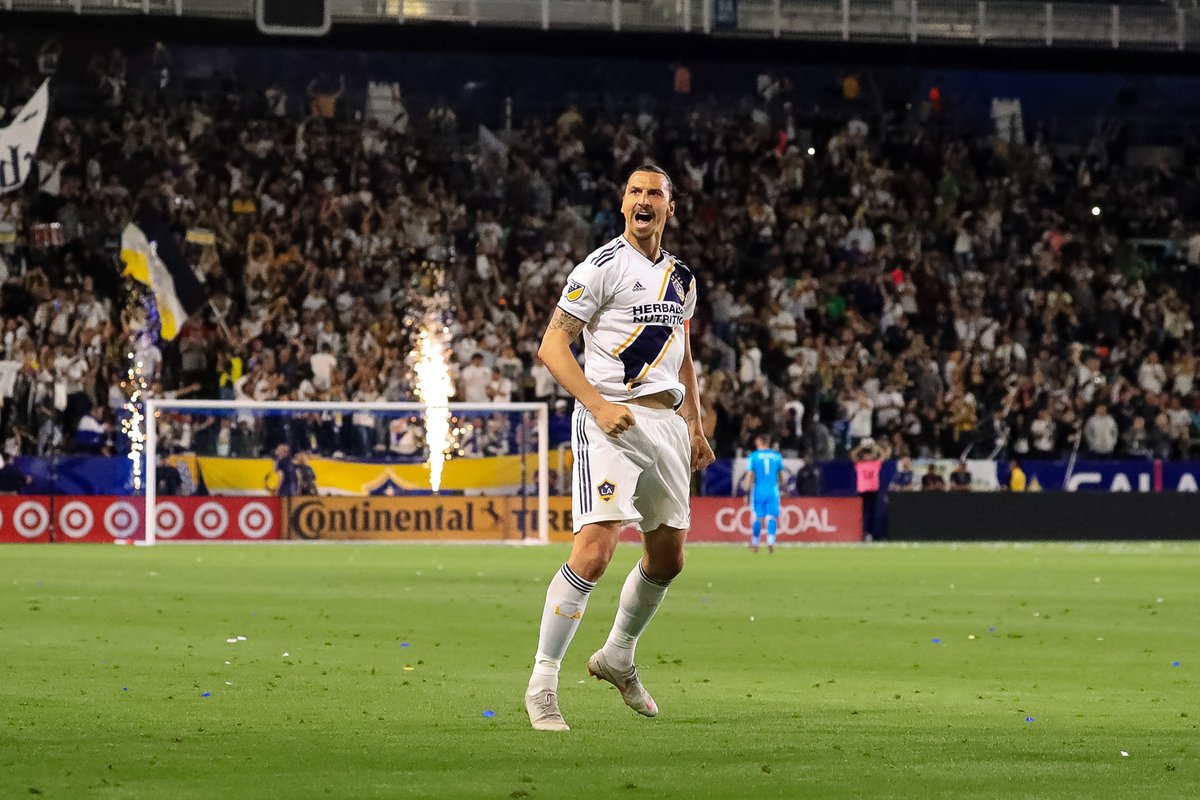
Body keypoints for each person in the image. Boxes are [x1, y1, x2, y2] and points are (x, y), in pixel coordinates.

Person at [524, 165, 714, 732]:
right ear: (623, 203)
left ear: (669, 208)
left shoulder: (683, 279)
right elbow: (553, 345)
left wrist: (696, 423)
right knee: (594, 551)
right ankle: (543, 684)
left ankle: (617, 655)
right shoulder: (601, 266)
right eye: (635, 192)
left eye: (654, 193)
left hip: (668, 425)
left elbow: (680, 352)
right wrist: (598, 405)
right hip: (611, 419)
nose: (643, 200)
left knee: (669, 559)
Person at [739, 433, 785, 553]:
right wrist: (781, 488)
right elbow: (781, 476)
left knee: (758, 517)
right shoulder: (776, 456)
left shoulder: (754, 456)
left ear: (760, 442)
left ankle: (755, 543)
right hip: (773, 490)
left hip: (759, 490)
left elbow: (750, 475)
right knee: (771, 517)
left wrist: (746, 491)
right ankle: (770, 541)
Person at [851, 437, 888, 540]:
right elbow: (853, 455)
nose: (867, 455)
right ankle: (862, 533)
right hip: (862, 491)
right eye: (865, 454)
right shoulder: (859, 464)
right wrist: (861, 447)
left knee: (872, 513)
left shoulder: (875, 464)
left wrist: (874, 446)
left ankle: (870, 534)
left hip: (872, 490)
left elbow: (884, 455)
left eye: (869, 454)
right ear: (863, 455)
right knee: (861, 514)